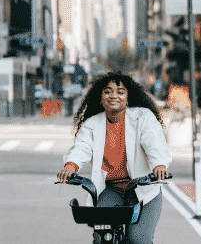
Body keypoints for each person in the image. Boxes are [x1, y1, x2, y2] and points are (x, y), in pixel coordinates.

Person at [57, 72, 172, 244]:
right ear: (101, 97)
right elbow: (82, 147)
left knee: (138, 239)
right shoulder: (92, 124)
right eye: (108, 91)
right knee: (101, 236)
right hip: (113, 191)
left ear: (127, 98)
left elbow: (153, 143)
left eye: (120, 91)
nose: (113, 96)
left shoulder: (142, 117)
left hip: (144, 192)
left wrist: (159, 165)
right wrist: (71, 166)